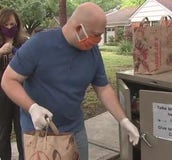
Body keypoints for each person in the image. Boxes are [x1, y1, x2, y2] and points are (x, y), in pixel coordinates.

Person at [1, 2, 139, 160]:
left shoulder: (92, 51)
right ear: (79, 29)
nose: (99, 40)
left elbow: (103, 88)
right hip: (40, 133)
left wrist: (124, 120)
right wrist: (32, 108)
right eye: (96, 35)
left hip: (75, 130)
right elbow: (8, 80)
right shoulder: (39, 45)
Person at [0, 8, 27, 160]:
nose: (9, 27)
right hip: (1, 95)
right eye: (6, 24)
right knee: (3, 132)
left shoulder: (23, 43)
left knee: (22, 129)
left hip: (20, 93)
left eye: (12, 24)